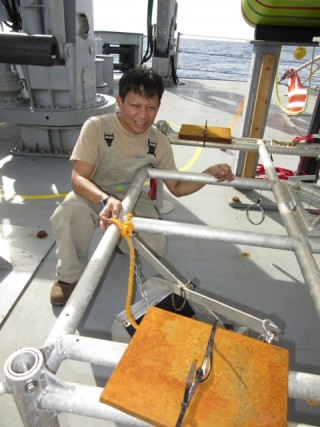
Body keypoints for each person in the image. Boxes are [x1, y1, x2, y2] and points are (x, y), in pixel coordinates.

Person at [50, 68, 234, 306]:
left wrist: (207, 174)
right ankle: (68, 278)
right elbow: (78, 179)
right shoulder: (97, 127)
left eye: (151, 108)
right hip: (92, 194)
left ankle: (117, 240)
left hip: (132, 198)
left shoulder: (158, 141)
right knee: (68, 214)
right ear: (120, 102)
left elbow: (177, 187)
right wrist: (106, 201)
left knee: (156, 247)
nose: (143, 115)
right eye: (135, 106)